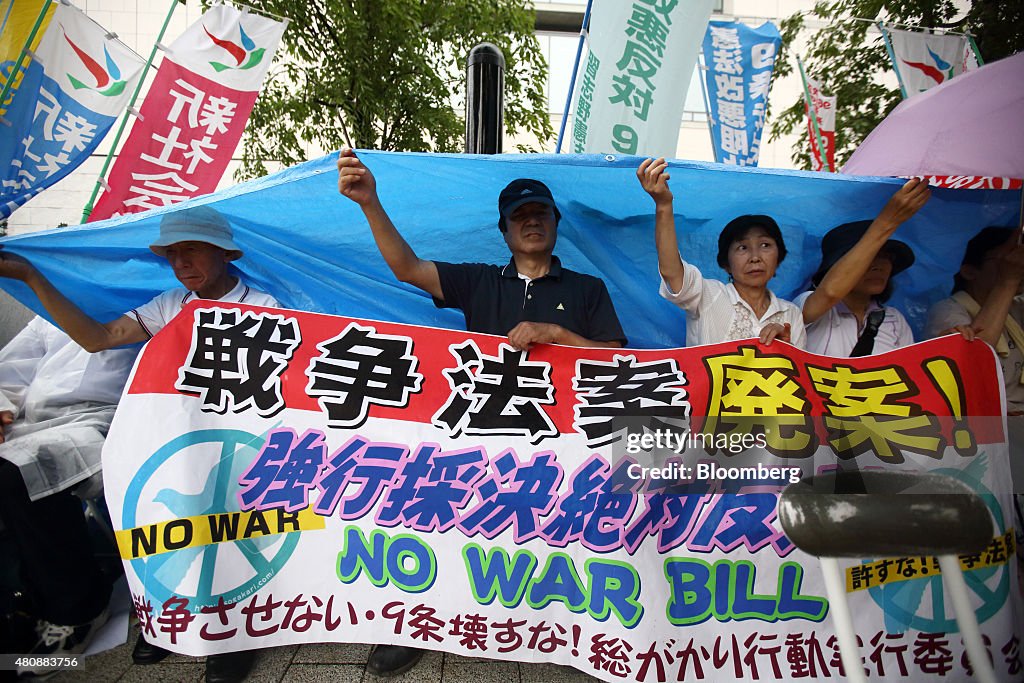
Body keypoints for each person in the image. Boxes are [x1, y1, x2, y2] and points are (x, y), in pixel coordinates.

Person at [337, 148, 626, 675]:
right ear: (504, 231)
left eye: (540, 213)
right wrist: (370, 201)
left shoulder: (588, 289)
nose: (531, 222)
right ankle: (424, 620)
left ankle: (578, 629)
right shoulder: (478, 281)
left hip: (567, 441)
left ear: (556, 224)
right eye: (520, 216)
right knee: (446, 520)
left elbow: (617, 364)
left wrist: (557, 335)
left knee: (573, 535)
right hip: (486, 435)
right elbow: (407, 268)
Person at [0, 206, 277, 683]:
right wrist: (33, 279)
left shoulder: (264, 305)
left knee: (215, 502)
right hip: (170, 431)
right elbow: (100, 338)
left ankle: (232, 636)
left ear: (226, 253)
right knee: (141, 497)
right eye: (172, 253)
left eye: (192, 249)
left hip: (233, 434)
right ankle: (163, 610)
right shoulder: (170, 304)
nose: (182, 262)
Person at [0, 317, 137, 675]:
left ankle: (77, 609)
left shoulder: (149, 299)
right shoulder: (48, 309)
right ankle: (21, 601)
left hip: (104, 419)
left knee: (18, 474)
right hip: (29, 422)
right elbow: (11, 369)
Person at [637, 157, 805, 348]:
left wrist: (785, 348)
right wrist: (664, 205)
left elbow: (800, 375)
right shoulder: (708, 295)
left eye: (765, 245)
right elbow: (672, 272)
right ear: (726, 263)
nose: (755, 257)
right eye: (742, 247)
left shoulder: (791, 314)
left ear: (780, 256)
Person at [795, 178, 930, 356]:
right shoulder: (806, 306)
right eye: (868, 259)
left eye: (886, 257)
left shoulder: (895, 320)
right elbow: (830, 293)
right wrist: (887, 221)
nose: (879, 266)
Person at [927, 226, 1024, 414]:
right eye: (1004, 259)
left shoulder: (1017, 306)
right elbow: (976, 358)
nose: (1015, 264)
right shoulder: (948, 311)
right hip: (990, 424)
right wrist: (1008, 280)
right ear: (970, 271)